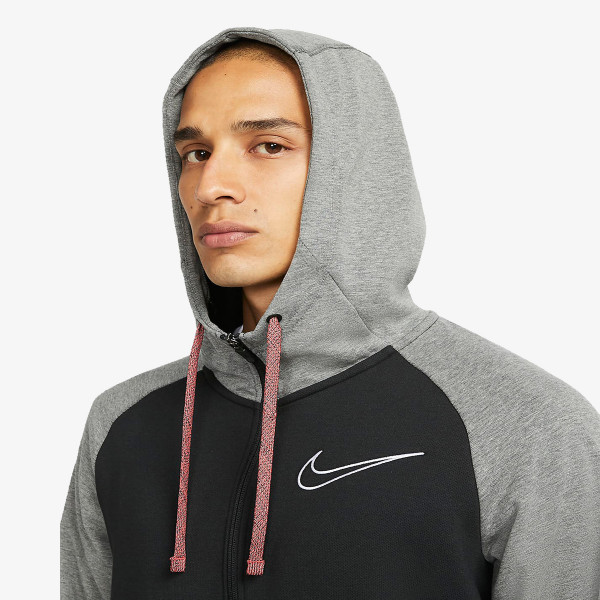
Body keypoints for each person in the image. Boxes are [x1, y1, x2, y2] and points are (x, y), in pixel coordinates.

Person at [60, 26, 600, 599]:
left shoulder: (524, 424)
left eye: (269, 145)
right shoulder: (122, 427)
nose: (210, 186)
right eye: (196, 153)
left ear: (355, 169)